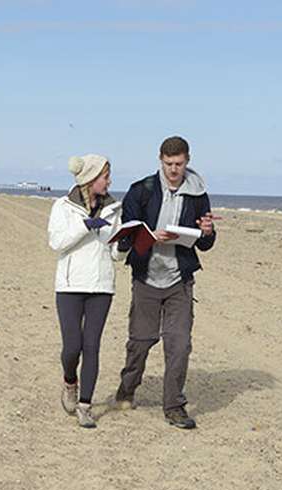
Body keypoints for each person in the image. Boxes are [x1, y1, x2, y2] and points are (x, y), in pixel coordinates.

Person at [114, 136, 217, 430]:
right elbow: (126, 234)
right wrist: (148, 235)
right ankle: (127, 388)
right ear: (160, 159)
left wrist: (207, 232)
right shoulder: (141, 190)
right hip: (146, 277)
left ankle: (174, 406)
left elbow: (206, 242)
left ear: (188, 161)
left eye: (180, 164)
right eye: (169, 164)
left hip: (179, 280)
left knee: (179, 344)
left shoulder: (198, 194)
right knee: (141, 342)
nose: (174, 169)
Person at [48, 154, 123, 428]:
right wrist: (85, 225)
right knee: (72, 348)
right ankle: (70, 381)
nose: (109, 181)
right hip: (69, 286)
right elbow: (56, 242)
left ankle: (85, 405)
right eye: (105, 176)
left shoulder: (114, 208)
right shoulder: (63, 206)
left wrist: (123, 247)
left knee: (92, 346)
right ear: (91, 179)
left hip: (101, 286)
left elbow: (115, 252)